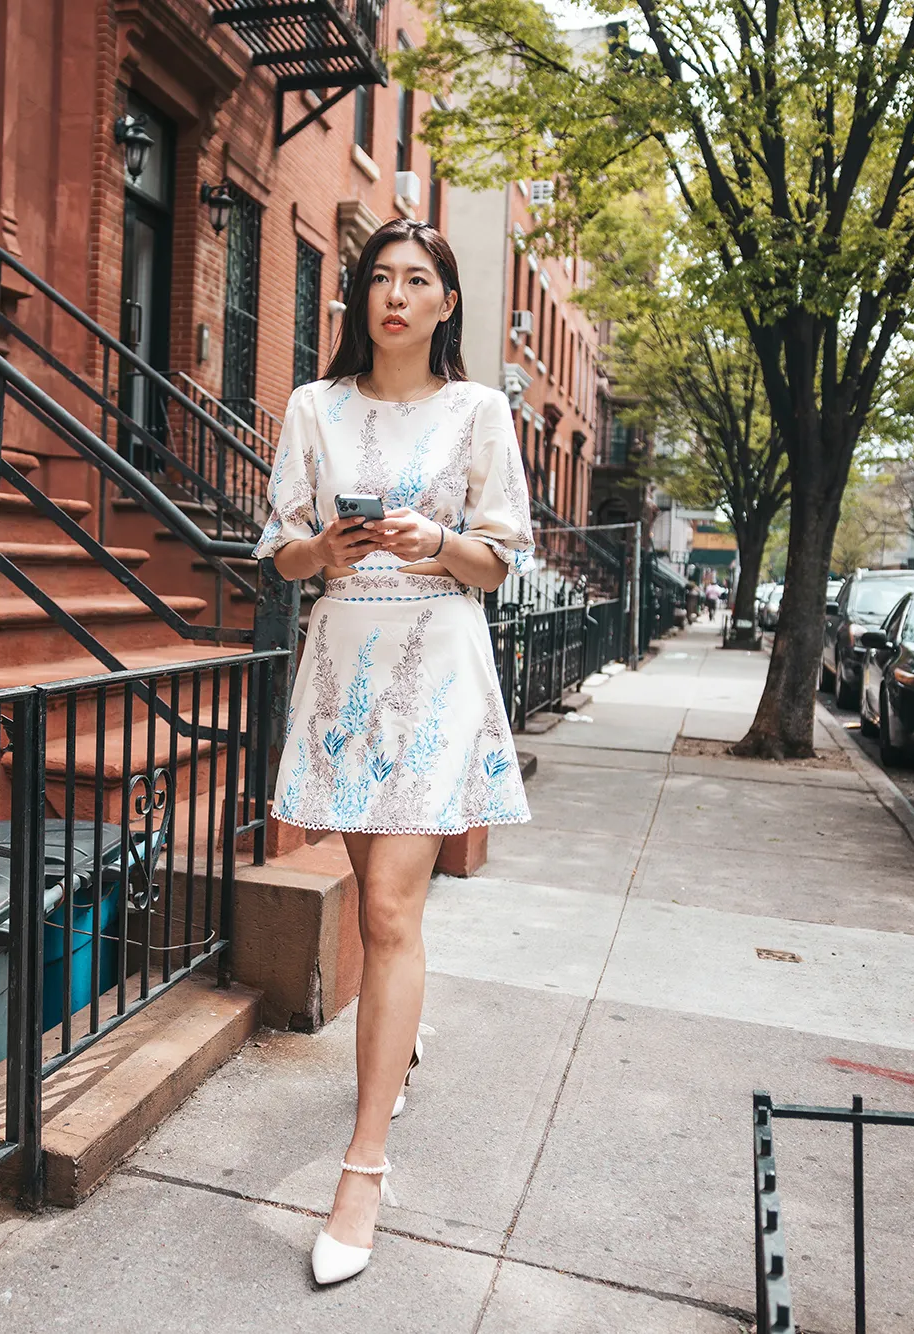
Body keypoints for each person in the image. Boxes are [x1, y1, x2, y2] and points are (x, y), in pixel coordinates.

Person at [254, 217, 535, 1286]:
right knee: (376, 888)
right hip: (342, 666)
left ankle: (361, 1166)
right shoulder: (311, 407)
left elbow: (502, 558)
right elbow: (279, 548)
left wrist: (438, 543)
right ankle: (396, 1026)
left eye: (417, 280)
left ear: (446, 302)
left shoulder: (476, 411)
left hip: (433, 666)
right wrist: (323, 547)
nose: (395, 296)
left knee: (387, 912)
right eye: (379, 278)